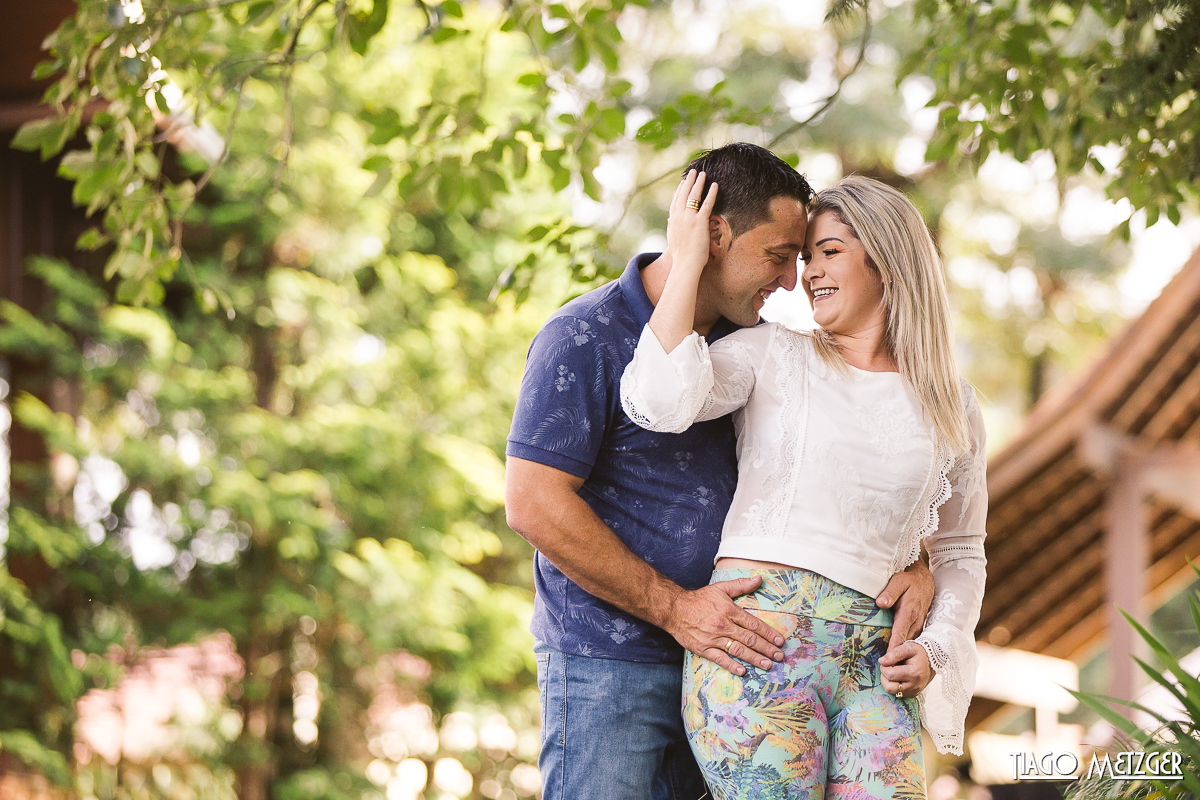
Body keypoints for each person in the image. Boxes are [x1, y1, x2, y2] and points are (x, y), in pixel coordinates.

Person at [505, 143, 937, 800]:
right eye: (779, 254)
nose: (792, 280)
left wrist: (917, 564)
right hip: (610, 664)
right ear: (711, 232)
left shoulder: (748, 350)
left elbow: (834, 475)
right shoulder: (585, 335)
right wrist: (674, 609)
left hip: (734, 661)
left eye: (805, 257)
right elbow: (533, 503)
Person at [620, 172, 988, 799]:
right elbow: (658, 402)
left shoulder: (953, 404)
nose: (808, 271)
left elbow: (960, 549)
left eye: (830, 251)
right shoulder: (771, 354)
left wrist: (941, 646)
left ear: (888, 261)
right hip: (758, 651)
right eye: (804, 255)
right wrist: (686, 262)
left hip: (877, 668)